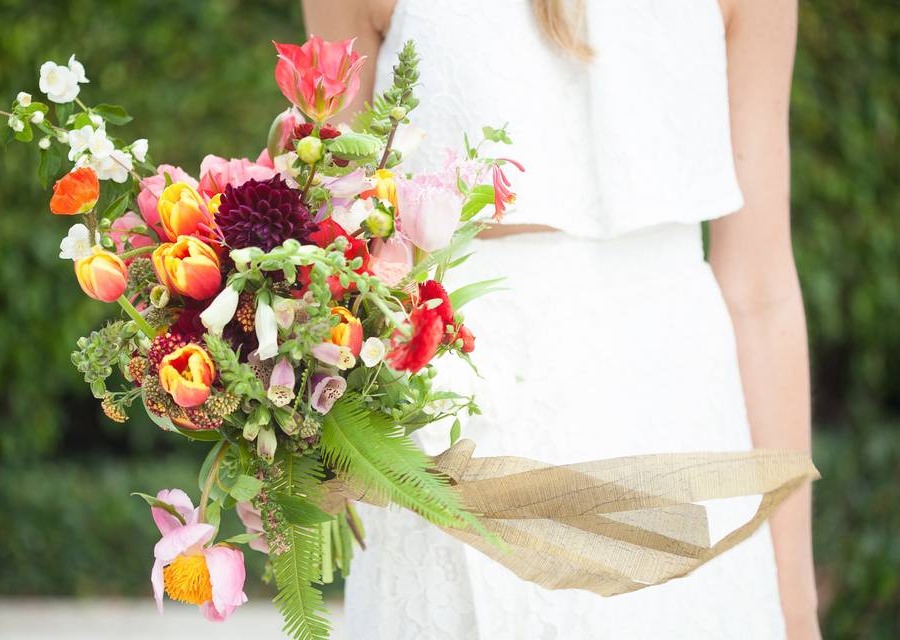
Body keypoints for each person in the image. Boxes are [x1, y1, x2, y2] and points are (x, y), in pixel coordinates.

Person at [302, 0, 818, 638]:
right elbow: (337, 249)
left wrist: (796, 604)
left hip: (677, 433)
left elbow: (759, 287)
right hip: (450, 446)